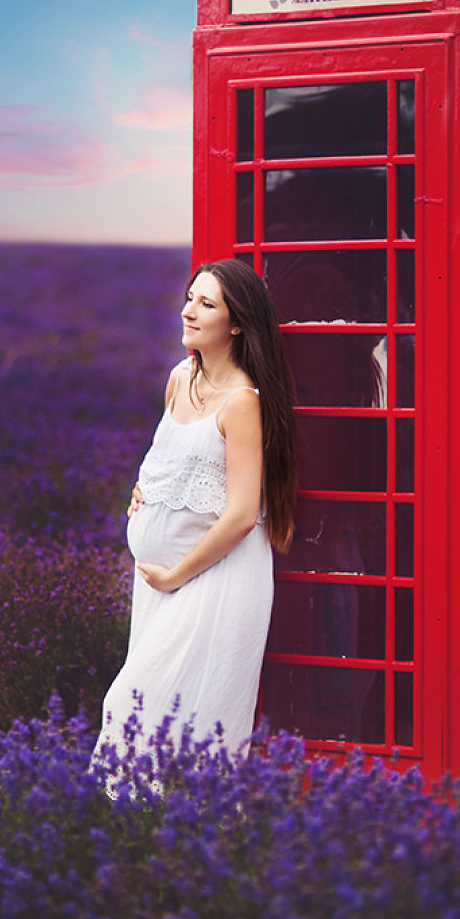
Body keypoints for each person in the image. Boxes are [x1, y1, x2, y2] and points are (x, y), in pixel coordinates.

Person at [91, 258, 297, 787]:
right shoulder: (180, 378)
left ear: (237, 324)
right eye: (189, 298)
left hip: (213, 579)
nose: (188, 311)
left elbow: (243, 514)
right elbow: (170, 463)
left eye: (206, 304)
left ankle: (165, 829)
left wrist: (175, 575)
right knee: (158, 724)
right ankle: (146, 834)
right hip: (160, 584)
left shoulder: (241, 403)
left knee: (135, 708)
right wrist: (145, 492)